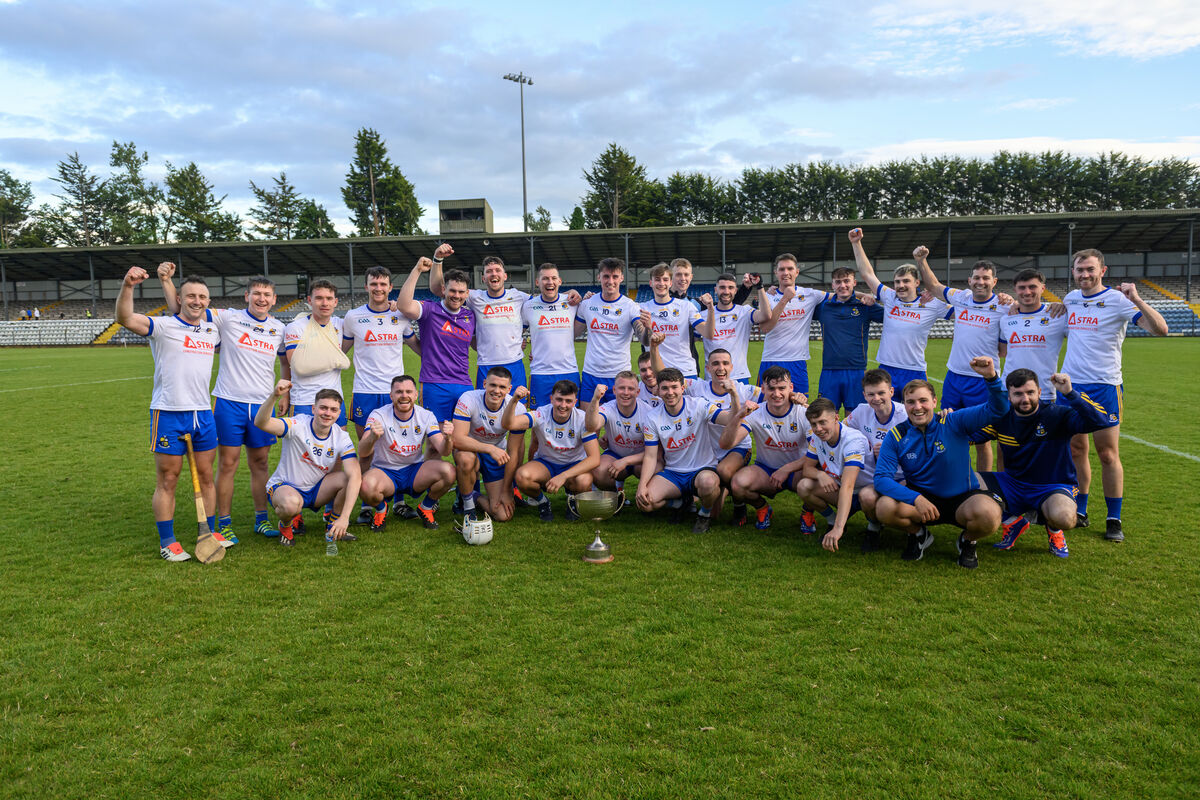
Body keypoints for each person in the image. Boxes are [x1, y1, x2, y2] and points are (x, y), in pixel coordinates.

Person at [159, 264, 289, 542]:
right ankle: (225, 523)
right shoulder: (227, 318)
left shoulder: (279, 328)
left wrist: (285, 391)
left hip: (262, 405)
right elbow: (181, 310)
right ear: (246, 295)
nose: (261, 298)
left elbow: (284, 361)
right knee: (227, 464)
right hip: (229, 402)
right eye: (256, 293)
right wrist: (167, 281)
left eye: (267, 294)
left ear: (274, 299)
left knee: (261, 463)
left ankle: (261, 519)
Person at [115, 266, 230, 562]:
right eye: (191, 295)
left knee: (206, 476)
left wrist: (167, 280)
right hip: (168, 412)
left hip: (203, 414)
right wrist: (128, 285)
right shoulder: (162, 326)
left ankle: (210, 532)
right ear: (179, 298)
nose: (197, 301)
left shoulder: (211, 328)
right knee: (169, 478)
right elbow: (125, 318)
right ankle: (168, 541)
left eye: (203, 296)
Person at [1060, 248, 1168, 541]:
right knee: (1075, 450)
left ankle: (1113, 518)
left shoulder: (1119, 300)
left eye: (1090, 269)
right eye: (1080, 270)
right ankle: (1080, 510)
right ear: (1073, 272)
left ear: (1102, 271)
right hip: (1071, 386)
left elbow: (1161, 330)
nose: (1085, 275)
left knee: (1107, 454)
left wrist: (1136, 299)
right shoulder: (1069, 299)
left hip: (1105, 386)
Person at [873, 356, 1009, 569]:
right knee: (884, 508)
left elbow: (999, 409)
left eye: (923, 401)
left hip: (963, 499)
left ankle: (967, 541)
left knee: (990, 516)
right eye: (911, 402)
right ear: (904, 405)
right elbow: (881, 479)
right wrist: (916, 498)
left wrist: (991, 377)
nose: (917, 407)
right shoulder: (897, 435)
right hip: (922, 501)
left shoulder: (954, 421)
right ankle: (918, 534)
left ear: (935, 402)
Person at [977, 369, 1112, 558]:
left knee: (1065, 518)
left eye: (1030, 392)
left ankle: (1054, 530)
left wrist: (1070, 393)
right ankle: (1013, 522)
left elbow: (1100, 421)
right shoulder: (1002, 418)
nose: (1025, 399)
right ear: (1009, 396)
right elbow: (967, 432)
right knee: (963, 480)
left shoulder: (1058, 415)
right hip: (1013, 484)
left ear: (1040, 392)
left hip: (1053, 486)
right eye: (1018, 394)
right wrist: (942, 420)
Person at [914, 246, 1012, 471]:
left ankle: (984, 485)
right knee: (948, 430)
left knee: (982, 439)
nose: (980, 282)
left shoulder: (1004, 306)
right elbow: (935, 286)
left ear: (994, 281)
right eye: (976, 277)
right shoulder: (961, 298)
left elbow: (1003, 350)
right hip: (954, 377)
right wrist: (921, 261)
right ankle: (952, 479)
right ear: (969, 280)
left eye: (986, 278)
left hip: (982, 381)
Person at [340, 264, 421, 524]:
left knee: (395, 448)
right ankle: (368, 503)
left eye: (383, 284)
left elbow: (417, 346)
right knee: (367, 450)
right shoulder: (353, 317)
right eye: (374, 284)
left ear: (390, 287)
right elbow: (341, 352)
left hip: (395, 393)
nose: (378, 288)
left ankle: (397, 501)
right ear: (366, 287)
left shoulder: (401, 316)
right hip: (364, 391)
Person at [254, 382, 360, 548]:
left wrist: (344, 518)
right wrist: (275, 395)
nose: (327, 413)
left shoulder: (342, 436)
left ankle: (334, 526)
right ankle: (286, 526)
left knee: (349, 478)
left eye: (333, 410)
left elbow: (355, 474)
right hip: (285, 487)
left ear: (339, 414)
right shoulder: (298, 425)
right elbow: (261, 422)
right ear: (313, 408)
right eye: (323, 408)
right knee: (290, 505)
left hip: (316, 489)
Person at [637, 368, 741, 534]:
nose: (670, 392)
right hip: (673, 473)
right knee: (645, 503)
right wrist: (641, 486)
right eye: (665, 388)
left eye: (674, 387)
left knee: (708, 484)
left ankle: (703, 515)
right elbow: (650, 456)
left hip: (702, 470)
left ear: (682, 388)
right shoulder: (652, 417)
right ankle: (681, 502)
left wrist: (734, 395)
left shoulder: (699, 405)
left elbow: (730, 419)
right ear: (659, 391)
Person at [848, 228, 950, 390]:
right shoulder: (890, 297)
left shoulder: (931, 304)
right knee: (882, 413)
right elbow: (868, 274)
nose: (900, 286)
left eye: (906, 281)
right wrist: (856, 243)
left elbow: (964, 311)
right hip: (886, 369)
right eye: (897, 282)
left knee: (916, 413)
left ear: (916, 283)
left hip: (914, 370)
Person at [719, 365, 813, 531]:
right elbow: (726, 444)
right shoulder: (756, 412)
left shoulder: (803, 413)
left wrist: (786, 469)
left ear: (791, 388)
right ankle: (762, 508)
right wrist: (738, 416)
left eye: (782, 388)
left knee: (816, 477)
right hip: (766, 470)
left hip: (797, 470)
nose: (777, 394)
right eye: (771, 389)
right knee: (738, 484)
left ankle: (808, 512)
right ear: (763, 388)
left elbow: (818, 452)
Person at [357, 375, 456, 531]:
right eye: (399, 392)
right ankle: (381, 509)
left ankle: (426, 507)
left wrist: (448, 438)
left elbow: (443, 450)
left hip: (414, 471)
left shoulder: (426, 415)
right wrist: (372, 438)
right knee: (364, 486)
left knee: (449, 472)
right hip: (385, 471)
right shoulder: (378, 415)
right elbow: (362, 451)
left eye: (409, 391)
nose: (404, 396)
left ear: (416, 395)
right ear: (391, 396)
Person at [394, 251, 475, 425]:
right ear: (444, 289)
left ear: (467, 293)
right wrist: (417, 270)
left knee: (464, 441)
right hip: (434, 384)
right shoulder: (430, 310)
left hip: (464, 384)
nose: (456, 295)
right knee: (434, 442)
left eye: (461, 292)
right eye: (452, 290)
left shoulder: (471, 316)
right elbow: (403, 305)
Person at [503, 381, 601, 522]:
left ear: (575, 402)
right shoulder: (541, 414)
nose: (563, 405)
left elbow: (594, 459)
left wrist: (563, 476)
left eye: (568, 401)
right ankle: (543, 502)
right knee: (522, 477)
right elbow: (508, 424)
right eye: (559, 400)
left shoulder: (582, 419)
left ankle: (572, 499)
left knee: (584, 481)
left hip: (574, 465)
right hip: (546, 463)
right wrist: (514, 400)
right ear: (551, 399)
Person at [430, 252, 530, 391]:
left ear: (505, 276)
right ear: (483, 278)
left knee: (517, 409)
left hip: (514, 364)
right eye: (489, 271)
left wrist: (570, 294)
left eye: (497, 270)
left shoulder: (519, 296)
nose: (493, 274)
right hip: (486, 365)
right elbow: (438, 289)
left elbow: (544, 301)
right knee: (487, 410)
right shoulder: (474, 297)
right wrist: (438, 259)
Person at [686, 348, 761, 524]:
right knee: (715, 513)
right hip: (708, 451)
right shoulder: (697, 387)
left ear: (732, 367)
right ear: (707, 368)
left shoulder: (744, 390)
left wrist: (796, 397)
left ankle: (738, 503)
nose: (721, 367)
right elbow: (666, 377)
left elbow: (774, 394)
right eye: (715, 363)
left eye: (725, 363)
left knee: (724, 471)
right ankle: (688, 500)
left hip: (737, 447)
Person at [797, 398, 873, 552]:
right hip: (843, 488)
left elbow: (848, 485)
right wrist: (820, 475)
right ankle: (832, 522)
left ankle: (874, 529)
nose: (818, 428)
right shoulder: (816, 437)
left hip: (868, 490)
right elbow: (807, 469)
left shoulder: (853, 440)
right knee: (804, 486)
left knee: (867, 496)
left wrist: (840, 528)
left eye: (822, 422)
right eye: (814, 424)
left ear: (836, 418)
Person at [451, 367, 526, 522]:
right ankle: (468, 506)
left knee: (503, 515)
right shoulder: (468, 398)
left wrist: (506, 490)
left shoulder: (518, 408)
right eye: (493, 385)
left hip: (497, 455)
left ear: (509, 389)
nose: (496, 391)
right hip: (471, 449)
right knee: (466, 459)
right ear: (484, 383)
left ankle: (472, 494)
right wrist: (490, 448)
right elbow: (457, 439)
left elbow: (513, 451)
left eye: (502, 387)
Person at [845, 369, 908, 551]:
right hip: (876, 476)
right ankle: (873, 528)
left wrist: (893, 452)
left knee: (889, 506)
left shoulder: (905, 414)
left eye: (881, 393)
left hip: (905, 476)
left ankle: (917, 533)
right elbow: (843, 433)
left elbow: (923, 450)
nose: (876, 398)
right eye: (871, 394)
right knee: (867, 496)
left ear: (891, 391)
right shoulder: (861, 411)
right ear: (864, 394)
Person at [812, 267, 885, 414]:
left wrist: (873, 300)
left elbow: (893, 315)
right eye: (838, 282)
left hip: (856, 371)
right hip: (829, 371)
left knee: (855, 417)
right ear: (832, 285)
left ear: (854, 282)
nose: (842, 285)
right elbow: (798, 304)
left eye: (846, 281)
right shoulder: (823, 307)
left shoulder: (865, 306)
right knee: (827, 416)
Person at [756, 253, 831, 395]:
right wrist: (784, 299)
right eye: (782, 269)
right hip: (771, 359)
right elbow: (765, 328)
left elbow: (841, 295)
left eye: (790, 269)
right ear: (776, 273)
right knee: (766, 405)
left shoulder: (810, 294)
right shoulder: (768, 297)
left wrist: (865, 296)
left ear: (797, 272)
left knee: (800, 406)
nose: (786, 273)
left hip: (797, 361)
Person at [575, 257, 647, 404]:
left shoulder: (630, 306)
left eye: (615, 276)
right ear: (599, 277)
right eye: (606, 276)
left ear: (621, 278)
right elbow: (571, 334)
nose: (610, 281)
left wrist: (648, 328)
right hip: (591, 374)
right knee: (589, 425)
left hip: (619, 376)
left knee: (620, 425)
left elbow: (643, 338)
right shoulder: (587, 304)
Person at [283, 279, 348, 427]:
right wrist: (335, 361)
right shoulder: (296, 328)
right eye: (319, 298)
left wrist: (392, 306)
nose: (324, 303)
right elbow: (299, 366)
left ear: (335, 302)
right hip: (304, 401)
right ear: (309, 300)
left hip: (334, 401)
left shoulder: (341, 325)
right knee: (302, 449)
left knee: (337, 447)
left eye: (329, 298)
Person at [999, 269, 1068, 404]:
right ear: (1015, 289)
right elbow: (1002, 352)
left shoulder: (1058, 316)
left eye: (1032, 287)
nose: (1027, 292)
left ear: (1043, 288)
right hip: (1009, 392)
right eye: (1022, 288)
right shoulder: (1006, 318)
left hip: (1044, 392)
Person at [695, 272, 772, 385]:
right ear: (715, 290)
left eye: (730, 287)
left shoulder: (744, 311)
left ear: (736, 290)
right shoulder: (704, 315)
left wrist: (760, 287)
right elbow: (690, 340)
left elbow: (766, 315)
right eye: (722, 287)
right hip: (713, 377)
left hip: (739, 376)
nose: (726, 291)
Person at [522, 263, 580, 408]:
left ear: (559, 281)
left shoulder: (572, 302)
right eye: (545, 278)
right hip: (540, 374)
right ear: (537, 282)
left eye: (554, 278)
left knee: (572, 418)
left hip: (569, 371)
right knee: (537, 419)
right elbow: (515, 333)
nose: (550, 282)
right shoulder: (528, 306)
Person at [583, 372, 653, 493]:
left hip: (642, 459)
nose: (626, 392)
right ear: (614, 390)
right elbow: (591, 426)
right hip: (615, 455)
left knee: (657, 468)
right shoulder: (608, 408)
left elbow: (655, 453)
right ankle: (615, 496)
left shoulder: (648, 413)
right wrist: (595, 399)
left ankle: (650, 494)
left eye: (631, 389)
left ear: (638, 392)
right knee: (598, 471)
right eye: (621, 388)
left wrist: (626, 461)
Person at [640, 263, 703, 382]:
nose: (661, 283)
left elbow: (707, 332)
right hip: (656, 372)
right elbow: (644, 341)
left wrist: (710, 308)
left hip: (685, 371)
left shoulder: (687, 306)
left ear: (670, 283)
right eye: (657, 280)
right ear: (651, 283)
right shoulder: (642, 308)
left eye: (665, 280)